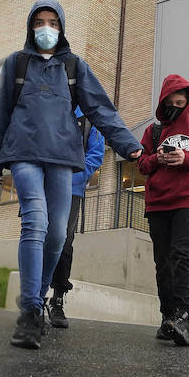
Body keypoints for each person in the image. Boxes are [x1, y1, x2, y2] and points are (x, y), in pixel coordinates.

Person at [0, 0, 143, 350]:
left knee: (58, 234)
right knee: (36, 222)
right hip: (23, 154)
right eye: (39, 22)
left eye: (53, 22)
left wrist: (130, 146)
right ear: (31, 26)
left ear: (62, 27)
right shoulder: (17, 63)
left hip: (62, 159)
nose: (46, 28)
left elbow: (101, 109)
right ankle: (28, 311)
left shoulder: (74, 67)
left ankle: (38, 298)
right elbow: (0, 113)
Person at [137, 74, 189, 347]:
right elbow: (142, 164)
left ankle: (183, 318)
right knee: (163, 262)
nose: (175, 107)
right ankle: (167, 317)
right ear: (162, 101)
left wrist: (186, 158)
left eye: (180, 102)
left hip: (186, 202)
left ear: (188, 102)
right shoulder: (153, 132)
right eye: (170, 102)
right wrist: (157, 158)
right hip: (157, 203)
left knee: (183, 258)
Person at [46, 106, 105, 328]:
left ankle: (58, 299)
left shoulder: (91, 122)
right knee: (36, 238)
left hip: (71, 190)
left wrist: (71, 179)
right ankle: (33, 299)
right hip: (42, 187)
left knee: (63, 243)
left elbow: (96, 155)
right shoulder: (50, 108)